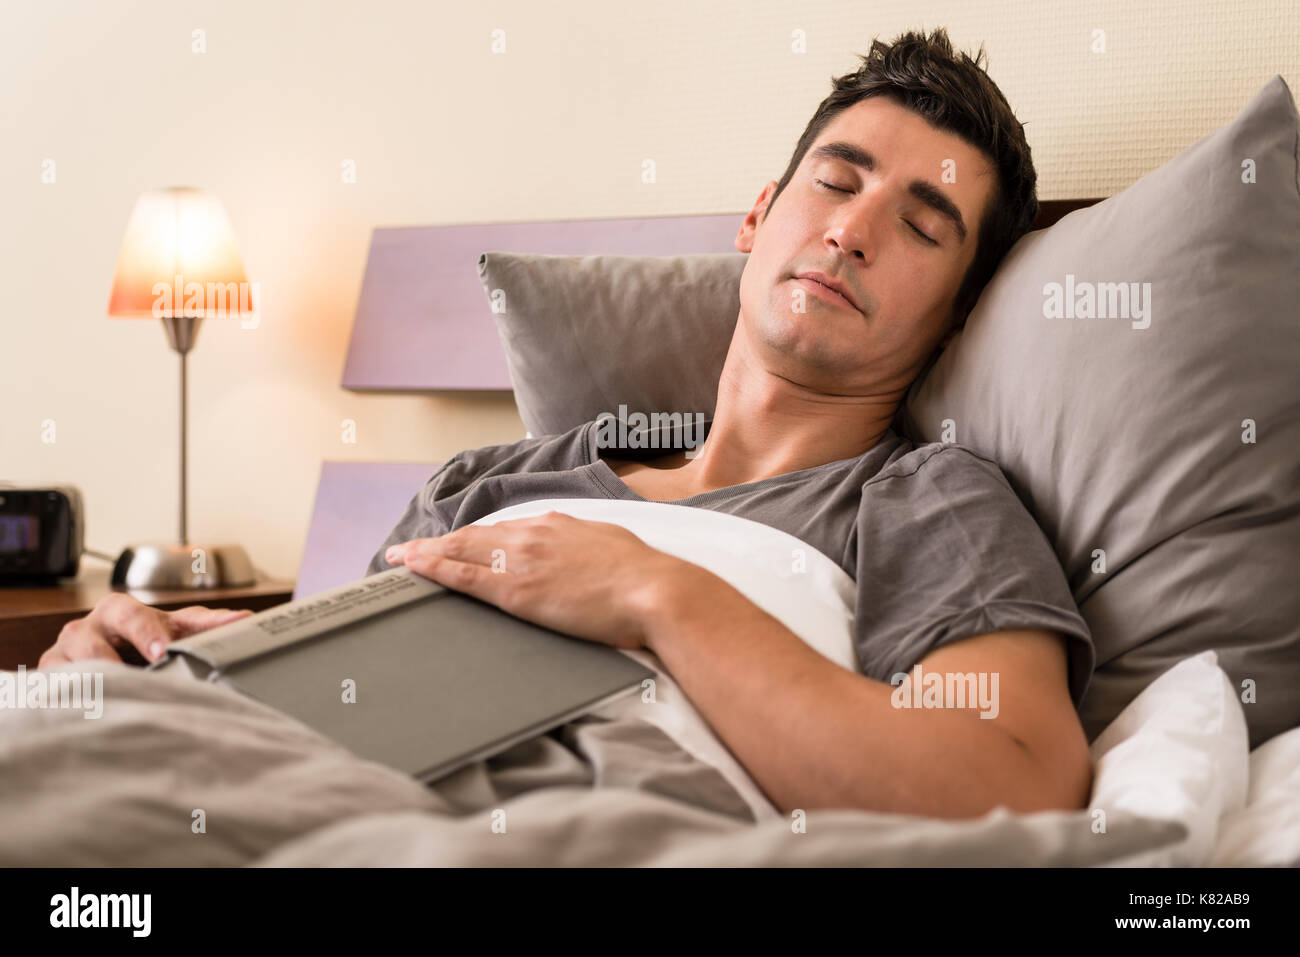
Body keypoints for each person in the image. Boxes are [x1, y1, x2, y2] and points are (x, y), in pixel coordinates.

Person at [39, 28, 1095, 820]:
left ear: (956, 316)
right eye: (834, 182)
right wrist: (130, 670)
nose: (854, 232)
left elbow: (1017, 782)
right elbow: (332, 687)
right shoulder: (488, 483)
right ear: (758, 216)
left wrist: (653, 590)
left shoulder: (932, 503)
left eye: (920, 226)